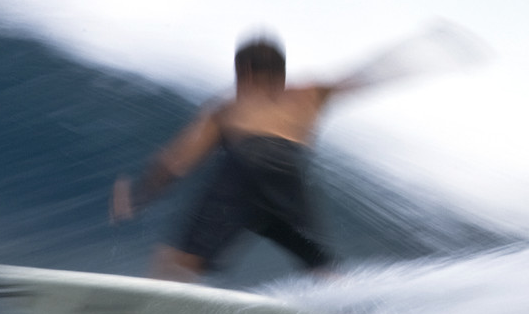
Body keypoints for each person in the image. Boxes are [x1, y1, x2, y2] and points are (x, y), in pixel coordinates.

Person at [109, 26, 482, 282]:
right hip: (288, 176)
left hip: (245, 168)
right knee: (317, 262)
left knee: (178, 261)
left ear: (246, 70)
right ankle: (347, 312)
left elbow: (177, 161)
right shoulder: (311, 93)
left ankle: (156, 313)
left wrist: (139, 196)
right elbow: (370, 75)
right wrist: (430, 54)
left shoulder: (228, 107)